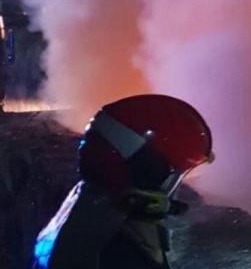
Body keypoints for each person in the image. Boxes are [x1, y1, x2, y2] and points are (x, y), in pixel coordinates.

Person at [33, 94, 214, 269]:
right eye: (173, 175)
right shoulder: (120, 251)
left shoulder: (90, 211)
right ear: (147, 170)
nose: (174, 186)